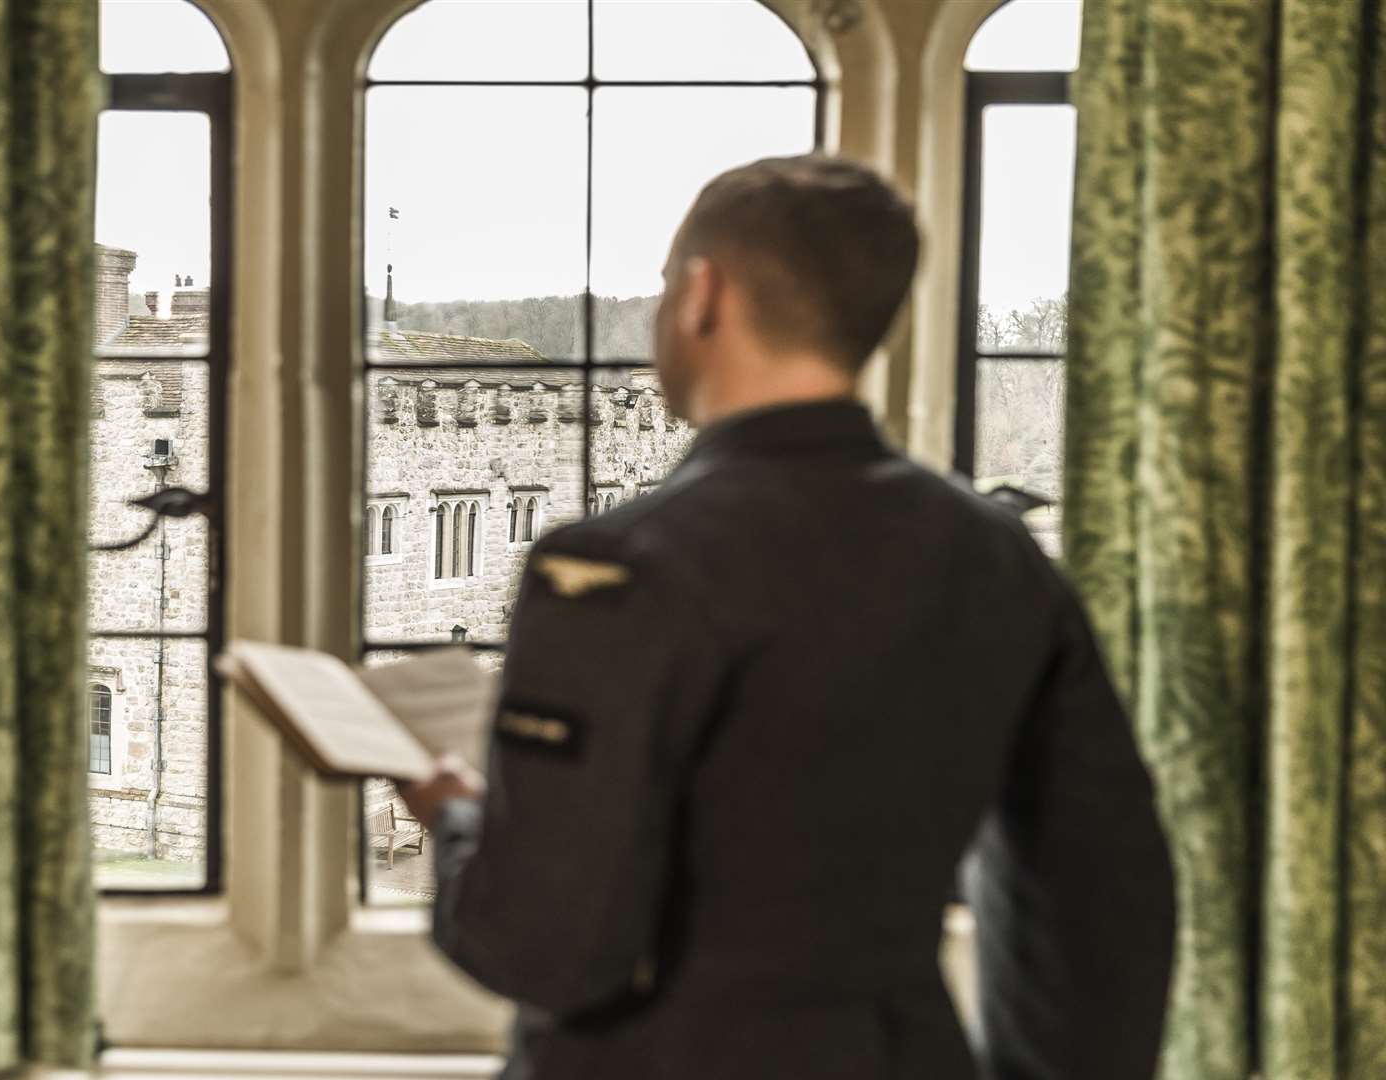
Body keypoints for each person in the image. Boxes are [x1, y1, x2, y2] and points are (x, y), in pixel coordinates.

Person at [398, 155, 1175, 1079]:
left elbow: (540, 946)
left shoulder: (612, 568)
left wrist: (456, 823)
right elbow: (1104, 896)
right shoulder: (993, 552)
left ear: (702, 295)